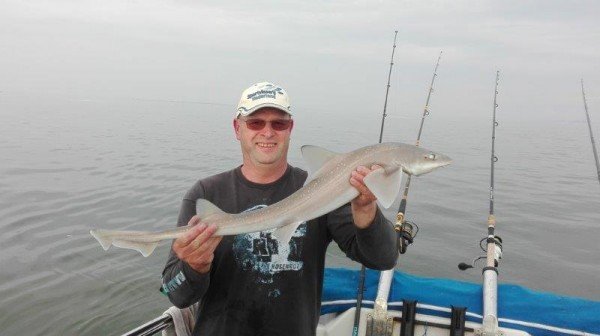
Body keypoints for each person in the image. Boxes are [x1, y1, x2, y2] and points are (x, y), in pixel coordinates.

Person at [161, 82, 399, 336]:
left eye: (278, 123)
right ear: (237, 128)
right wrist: (194, 267)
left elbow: (382, 258)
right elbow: (174, 292)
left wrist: (365, 208)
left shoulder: (321, 191)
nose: (268, 132)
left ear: (290, 128)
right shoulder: (206, 195)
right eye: (255, 123)